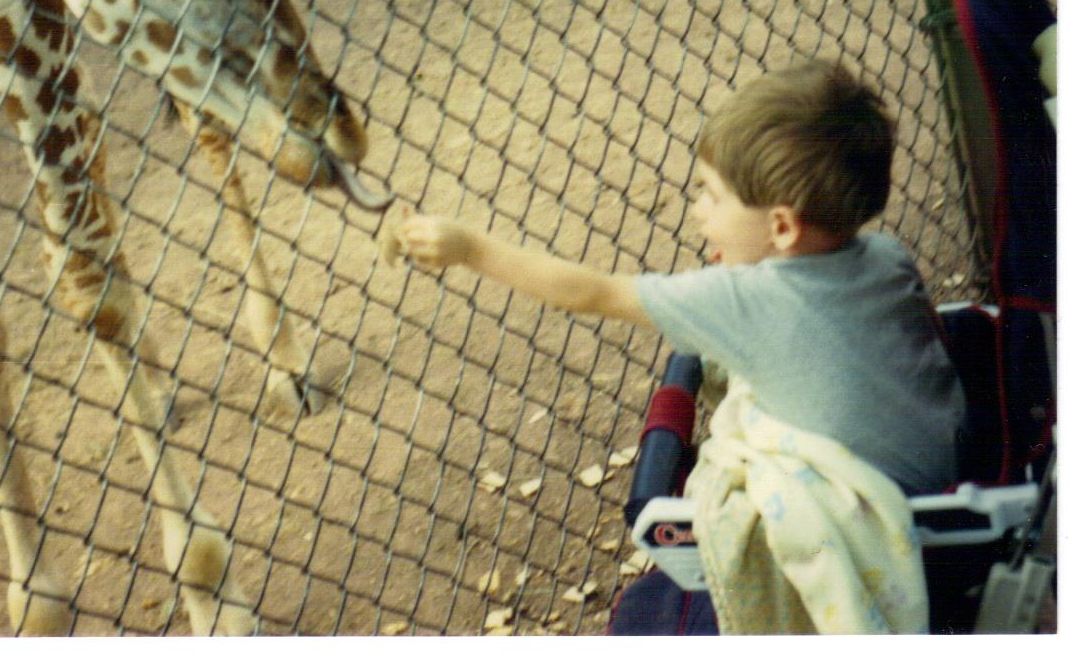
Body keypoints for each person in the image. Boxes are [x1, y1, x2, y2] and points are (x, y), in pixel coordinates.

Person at [401, 60, 965, 631]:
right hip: (943, 468)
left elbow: (590, 293)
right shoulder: (886, 255)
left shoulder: (745, 302)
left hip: (890, 507)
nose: (697, 210)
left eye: (711, 196)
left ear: (782, 228)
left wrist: (471, 249)